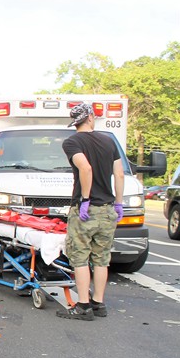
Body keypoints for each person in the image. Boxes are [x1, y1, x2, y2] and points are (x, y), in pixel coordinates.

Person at [57, 103, 124, 320]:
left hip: (86, 210)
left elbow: (85, 168)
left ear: (75, 122)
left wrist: (85, 199)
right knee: (102, 259)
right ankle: (99, 303)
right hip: (107, 210)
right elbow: (120, 175)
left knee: (80, 257)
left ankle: (83, 306)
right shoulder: (109, 141)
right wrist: (119, 203)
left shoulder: (72, 142)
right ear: (91, 118)